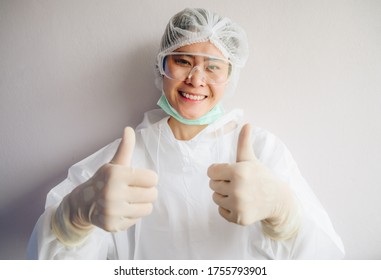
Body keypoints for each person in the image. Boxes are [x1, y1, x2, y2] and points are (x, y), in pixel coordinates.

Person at [27, 7, 345, 259]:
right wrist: (73, 218)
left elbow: (327, 260)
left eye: (212, 66)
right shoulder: (120, 163)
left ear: (230, 75)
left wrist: (284, 215)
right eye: (182, 61)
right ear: (162, 67)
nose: (196, 79)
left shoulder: (263, 152)